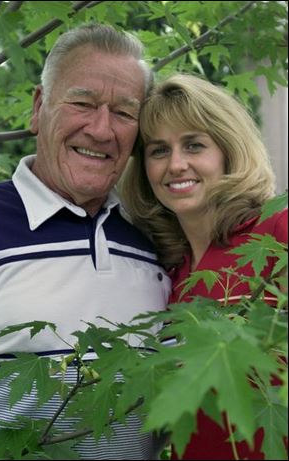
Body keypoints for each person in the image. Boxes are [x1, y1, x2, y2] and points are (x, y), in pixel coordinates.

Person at [0, 24, 171, 460]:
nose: (101, 130)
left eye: (125, 113)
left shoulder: (159, 238)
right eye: (82, 103)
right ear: (39, 107)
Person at [120, 73, 288, 460]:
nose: (176, 165)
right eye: (158, 150)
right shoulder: (168, 271)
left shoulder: (276, 232)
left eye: (194, 145)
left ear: (228, 150)